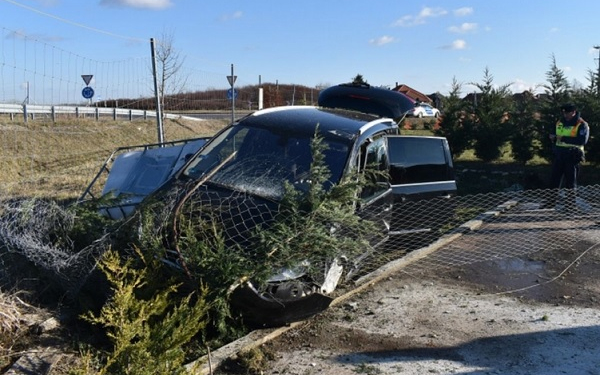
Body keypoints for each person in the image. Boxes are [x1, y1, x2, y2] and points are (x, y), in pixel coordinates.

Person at [548, 103, 589, 209]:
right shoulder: (559, 122)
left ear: (573, 112)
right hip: (559, 155)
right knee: (554, 180)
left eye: (567, 113)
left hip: (573, 156)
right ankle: (550, 203)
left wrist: (563, 138)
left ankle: (570, 205)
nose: (565, 115)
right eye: (564, 113)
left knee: (570, 182)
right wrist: (552, 137)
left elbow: (582, 140)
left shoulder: (581, 124)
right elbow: (554, 133)